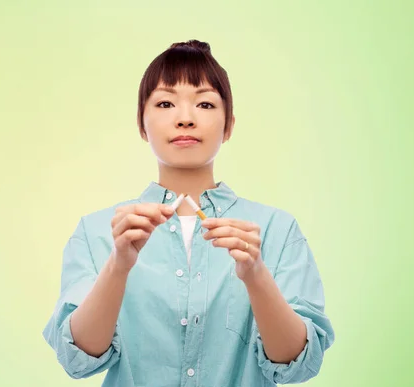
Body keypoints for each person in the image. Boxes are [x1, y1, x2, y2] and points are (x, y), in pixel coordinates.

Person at [42, 39, 335, 386]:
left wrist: (256, 275)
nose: (185, 119)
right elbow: (79, 359)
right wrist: (118, 266)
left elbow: (297, 363)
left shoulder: (277, 230)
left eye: (205, 104)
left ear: (228, 125)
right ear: (141, 124)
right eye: (165, 103)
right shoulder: (96, 233)